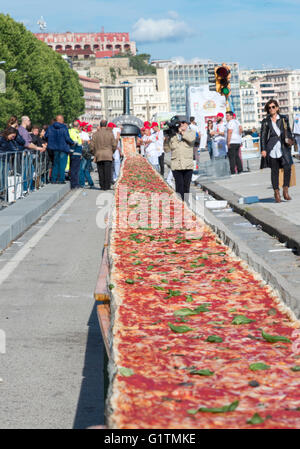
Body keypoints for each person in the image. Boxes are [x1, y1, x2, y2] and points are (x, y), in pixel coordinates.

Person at [261, 99, 294, 203]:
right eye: (269, 107)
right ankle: (276, 192)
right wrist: (263, 149)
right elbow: (263, 136)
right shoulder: (266, 121)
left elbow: (288, 131)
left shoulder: (283, 119)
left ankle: (285, 190)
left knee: (287, 168)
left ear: (277, 108)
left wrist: (290, 141)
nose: (271, 109)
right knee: (274, 171)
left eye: (273, 107)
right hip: (272, 149)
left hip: (283, 147)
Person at [165, 120, 196, 201]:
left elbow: (191, 140)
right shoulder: (173, 135)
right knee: (179, 186)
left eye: (182, 124)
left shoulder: (191, 132)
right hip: (176, 165)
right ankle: (180, 204)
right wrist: (166, 138)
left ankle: (186, 204)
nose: (181, 125)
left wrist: (181, 132)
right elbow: (166, 149)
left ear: (186, 124)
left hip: (187, 165)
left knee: (186, 187)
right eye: (180, 124)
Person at [45, 115, 74, 184]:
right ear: (61, 120)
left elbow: (46, 136)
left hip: (54, 148)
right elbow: (67, 138)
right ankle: (61, 179)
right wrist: (72, 142)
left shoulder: (50, 127)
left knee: (55, 164)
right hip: (63, 148)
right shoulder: (64, 127)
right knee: (62, 164)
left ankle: (54, 179)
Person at [90, 119, 117, 191]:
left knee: (100, 170)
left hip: (99, 154)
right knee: (108, 171)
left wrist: (94, 153)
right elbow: (114, 145)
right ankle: (107, 186)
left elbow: (92, 146)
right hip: (108, 154)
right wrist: (112, 152)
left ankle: (102, 185)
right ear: (106, 125)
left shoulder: (95, 134)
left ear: (100, 125)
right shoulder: (110, 134)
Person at [226, 111, 243, 175]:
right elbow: (241, 129)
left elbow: (230, 132)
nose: (226, 117)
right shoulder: (237, 121)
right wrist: (239, 136)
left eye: (227, 116)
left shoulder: (230, 122)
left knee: (232, 157)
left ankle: (232, 171)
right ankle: (240, 169)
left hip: (232, 141)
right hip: (237, 141)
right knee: (237, 156)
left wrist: (228, 142)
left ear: (231, 116)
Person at [79, 124, 95, 189]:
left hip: (83, 153)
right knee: (85, 169)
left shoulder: (83, 134)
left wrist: (82, 141)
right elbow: (88, 142)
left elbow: (88, 142)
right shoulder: (85, 134)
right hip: (86, 153)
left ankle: (82, 183)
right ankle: (90, 183)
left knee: (82, 169)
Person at [69, 120, 83, 189]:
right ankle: (74, 184)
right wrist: (71, 153)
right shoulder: (74, 133)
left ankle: (75, 183)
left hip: (76, 153)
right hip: (75, 154)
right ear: (78, 126)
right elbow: (74, 144)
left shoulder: (73, 132)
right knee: (75, 170)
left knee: (75, 170)